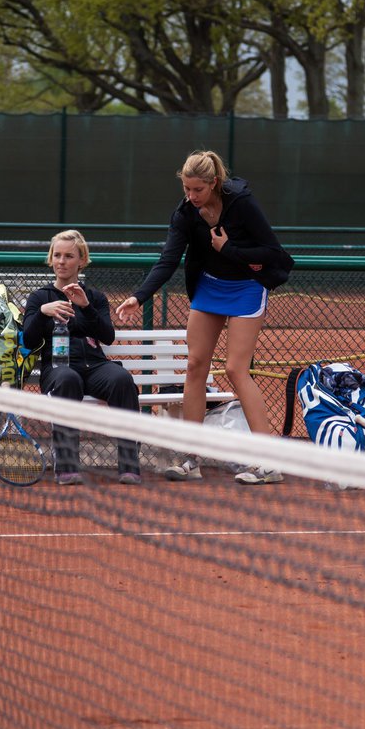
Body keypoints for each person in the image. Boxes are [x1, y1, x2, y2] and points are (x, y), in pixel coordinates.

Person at [115, 150, 294, 484]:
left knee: (235, 370)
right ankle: (190, 459)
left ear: (214, 183)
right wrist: (139, 297)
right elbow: (167, 260)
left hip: (247, 286)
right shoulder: (185, 213)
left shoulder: (241, 203)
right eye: (186, 188)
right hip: (209, 288)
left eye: (197, 189)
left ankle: (269, 463)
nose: (191, 196)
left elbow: (273, 251)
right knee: (196, 365)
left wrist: (229, 251)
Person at [19, 230, 141, 485]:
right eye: (57, 255)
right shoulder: (40, 297)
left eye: (69, 256)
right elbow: (29, 341)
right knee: (67, 380)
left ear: (81, 261)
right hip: (59, 369)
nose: (61, 261)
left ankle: (129, 465)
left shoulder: (95, 297)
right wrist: (43, 313)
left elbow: (107, 336)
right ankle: (66, 466)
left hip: (95, 366)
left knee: (121, 379)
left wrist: (85, 307)